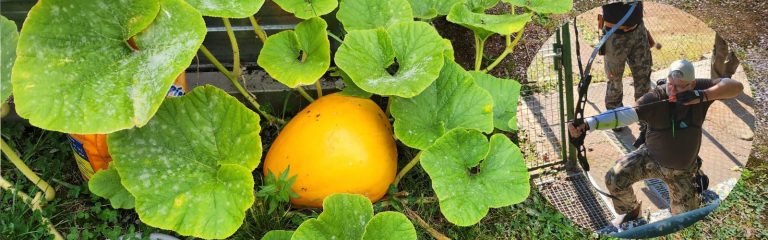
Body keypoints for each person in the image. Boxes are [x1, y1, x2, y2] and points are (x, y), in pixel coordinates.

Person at [568, 60, 744, 226]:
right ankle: (632, 212)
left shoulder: (700, 90)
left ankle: (696, 180)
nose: (672, 90)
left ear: (691, 85)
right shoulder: (655, 97)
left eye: (679, 86)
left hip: (683, 170)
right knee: (614, 178)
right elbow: (624, 114)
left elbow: (736, 87)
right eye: (670, 84)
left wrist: (703, 96)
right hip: (651, 157)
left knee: (684, 221)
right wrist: (589, 123)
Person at [600, 1, 653, 132]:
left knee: (643, 78)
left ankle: (645, 120)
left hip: (638, 30)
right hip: (615, 34)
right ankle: (616, 118)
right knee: (615, 80)